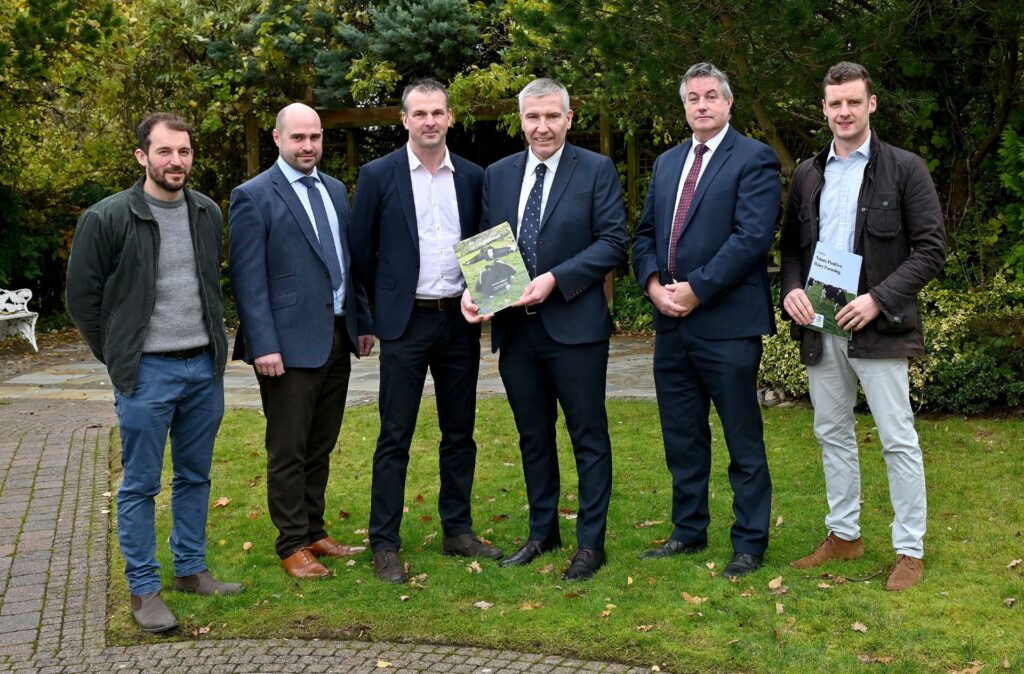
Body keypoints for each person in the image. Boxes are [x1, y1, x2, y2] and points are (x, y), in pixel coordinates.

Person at [66, 112, 242, 633]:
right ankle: (144, 590)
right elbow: (82, 300)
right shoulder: (108, 218)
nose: (176, 161)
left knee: (195, 476)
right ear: (143, 156)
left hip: (202, 369)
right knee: (140, 485)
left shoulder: (207, 212)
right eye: (164, 151)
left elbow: (209, 285)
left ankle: (190, 569)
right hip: (147, 373)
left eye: (184, 151)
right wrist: (120, 356)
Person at [780, 62, 946, 591]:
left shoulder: (904, 169)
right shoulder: (809, 173)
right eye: (835, 104)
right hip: (822, 324)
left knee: (897, 438)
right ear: (824, 108)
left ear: (871, 104)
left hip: (879, 323)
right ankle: (844, 535)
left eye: (854, 102)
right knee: (832, 432)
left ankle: (909, 550)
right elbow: (790, 249)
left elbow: (931, 250)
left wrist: (878, 299)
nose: (844, 112)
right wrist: (790, 291)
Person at [462, 78, 627, 581]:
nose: (542, 126)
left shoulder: (596, 170)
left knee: (588, 436)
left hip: (575, 328)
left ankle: (590, 544)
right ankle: (542, 532)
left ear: (569, 118)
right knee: (533, 437)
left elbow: (613, 242)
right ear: (521, 121)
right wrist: (477, 291)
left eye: (552, 116)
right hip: (517, 333)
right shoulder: (499, 174)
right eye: (533, 117)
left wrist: (556, 279)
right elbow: (491, 245)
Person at [632, 63, 780, 579]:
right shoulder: (668, 162)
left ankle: (749, 541)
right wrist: (653, 285)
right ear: (684, 105)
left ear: (729, 102)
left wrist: (697, 289)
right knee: (683, 437)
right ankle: (689, 531)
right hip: (672, 323)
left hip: (728, 324)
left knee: (742, 437)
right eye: (693, 97)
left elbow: (751, 238)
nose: (702, 105)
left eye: (711, 96)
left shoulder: (755, 158)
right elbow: (646, 233)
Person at [348, 79, 496, 584]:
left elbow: (486, 242)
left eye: (437, 112)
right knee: (395, 433)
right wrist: (371, 314)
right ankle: (385, 543)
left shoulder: (474, 176)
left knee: (460, 431)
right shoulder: (378, 175)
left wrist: (488, 296)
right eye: (419, 113)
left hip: (459, 319)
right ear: (405, 120)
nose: (429, 121)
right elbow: (360, 252)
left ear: (450, 118)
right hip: (405, 321)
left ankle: (458, 530)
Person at [229, 103, 373, 580]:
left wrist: (362, 322)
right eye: (298, 138)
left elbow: (348, 265)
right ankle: (291, 543)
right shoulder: (253, 196)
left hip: (335, 335)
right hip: (285, 347)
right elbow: (248, 281)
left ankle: (314, 529)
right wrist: (263, 343)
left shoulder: (334, 190)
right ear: (277, 138)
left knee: (321, 442)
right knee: (288, 447)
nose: (308, 146)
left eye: (314, 137)